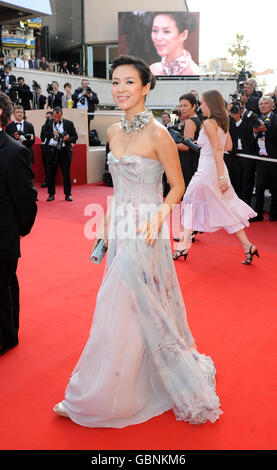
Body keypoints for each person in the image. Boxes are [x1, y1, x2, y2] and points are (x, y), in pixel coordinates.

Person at [53, 55, 223, 427]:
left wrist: (159, 218)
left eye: (129, 82)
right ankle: (117, 381)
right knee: (128, 303)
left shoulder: (159, 134)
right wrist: (105, 229)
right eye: (115, 82)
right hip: (121, 227)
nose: (121, 89)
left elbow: (176, 185)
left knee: (119, 301)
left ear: (146, 87)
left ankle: (98, 390)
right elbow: (119, 187)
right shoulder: (113, 132)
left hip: (147, 231)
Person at [173, 89, 259, 265]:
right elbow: (228, 145)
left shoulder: (209, 123)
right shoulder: (222, 122)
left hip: (208, 172)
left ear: (210, 104)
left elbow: (220, 149)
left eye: (203, 103)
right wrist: (203, 144)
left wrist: (220, 178)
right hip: (216, 170)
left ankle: (183, 246)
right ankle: (247, 246)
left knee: (189, 202)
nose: (201, 106)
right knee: (223, 207)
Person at [0, 91, 37, 356]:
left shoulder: (14, 152)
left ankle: (6, 336)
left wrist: (18, 231)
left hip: (2, 235)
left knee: (2, 286)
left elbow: (26, 200)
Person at [43, 106, 78, 201]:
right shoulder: (49, 122)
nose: (56, 119)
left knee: (66, 174)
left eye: (58, 117)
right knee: (51, 173)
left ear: (61, 115)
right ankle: (51, 194)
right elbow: (43, 134)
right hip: (52, 151)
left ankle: (68, 194)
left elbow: (75, 137)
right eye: (54, 116)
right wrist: (52, 134)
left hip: (64, 151)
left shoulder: (69, 123)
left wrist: (68, 139)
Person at [251, 96, 277, 222]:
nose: (263, 106)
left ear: (272, 106)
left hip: (273, 159)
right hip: (261, 158)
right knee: (260, 186)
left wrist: (266, 130)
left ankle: (274, 214)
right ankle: (258, 213)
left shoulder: (275, 118)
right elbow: (252, 139)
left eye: (266, 103)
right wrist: (255, 132)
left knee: (275, 187)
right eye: (261, 103)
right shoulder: (257, 119)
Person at [40, 110, 53, 188]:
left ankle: (49, 180)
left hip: (52, 148)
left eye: (48, 117)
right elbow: (42, 136)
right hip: (44, 147)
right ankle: (47, 179)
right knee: (45, 165)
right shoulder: (43, 126)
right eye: (46, 117)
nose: (47, 119)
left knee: (50, 166)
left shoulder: (55, 126)